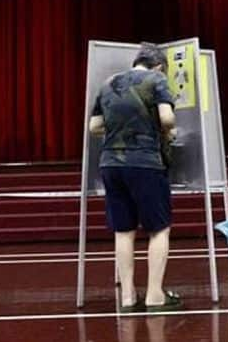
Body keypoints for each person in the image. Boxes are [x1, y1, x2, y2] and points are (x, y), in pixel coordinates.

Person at [89, 43, 183, 312]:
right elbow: (167, 119)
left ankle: (128, 297)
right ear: (158, 67)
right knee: (159, 228)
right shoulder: (156, 80)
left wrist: (121, 127)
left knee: (123, 230)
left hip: (110, 164)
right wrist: (168, 131)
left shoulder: (109, 83)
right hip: (145, 163)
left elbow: (94, 126)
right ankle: (155, 296)